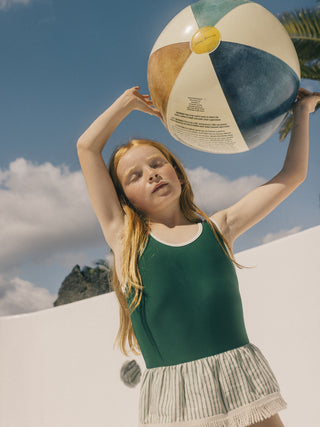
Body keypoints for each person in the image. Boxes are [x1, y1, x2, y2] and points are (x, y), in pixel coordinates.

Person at [77, 86, 320, 427]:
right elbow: (86, 148)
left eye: (157, 163)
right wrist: (126, 104)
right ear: (125, 199)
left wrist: (302, 112)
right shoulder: (124, 239)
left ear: (176, 170)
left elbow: (292, 175)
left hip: (240, 377)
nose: (151, 173)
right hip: (176, 398)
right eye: (135, 175)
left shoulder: (219, 228)